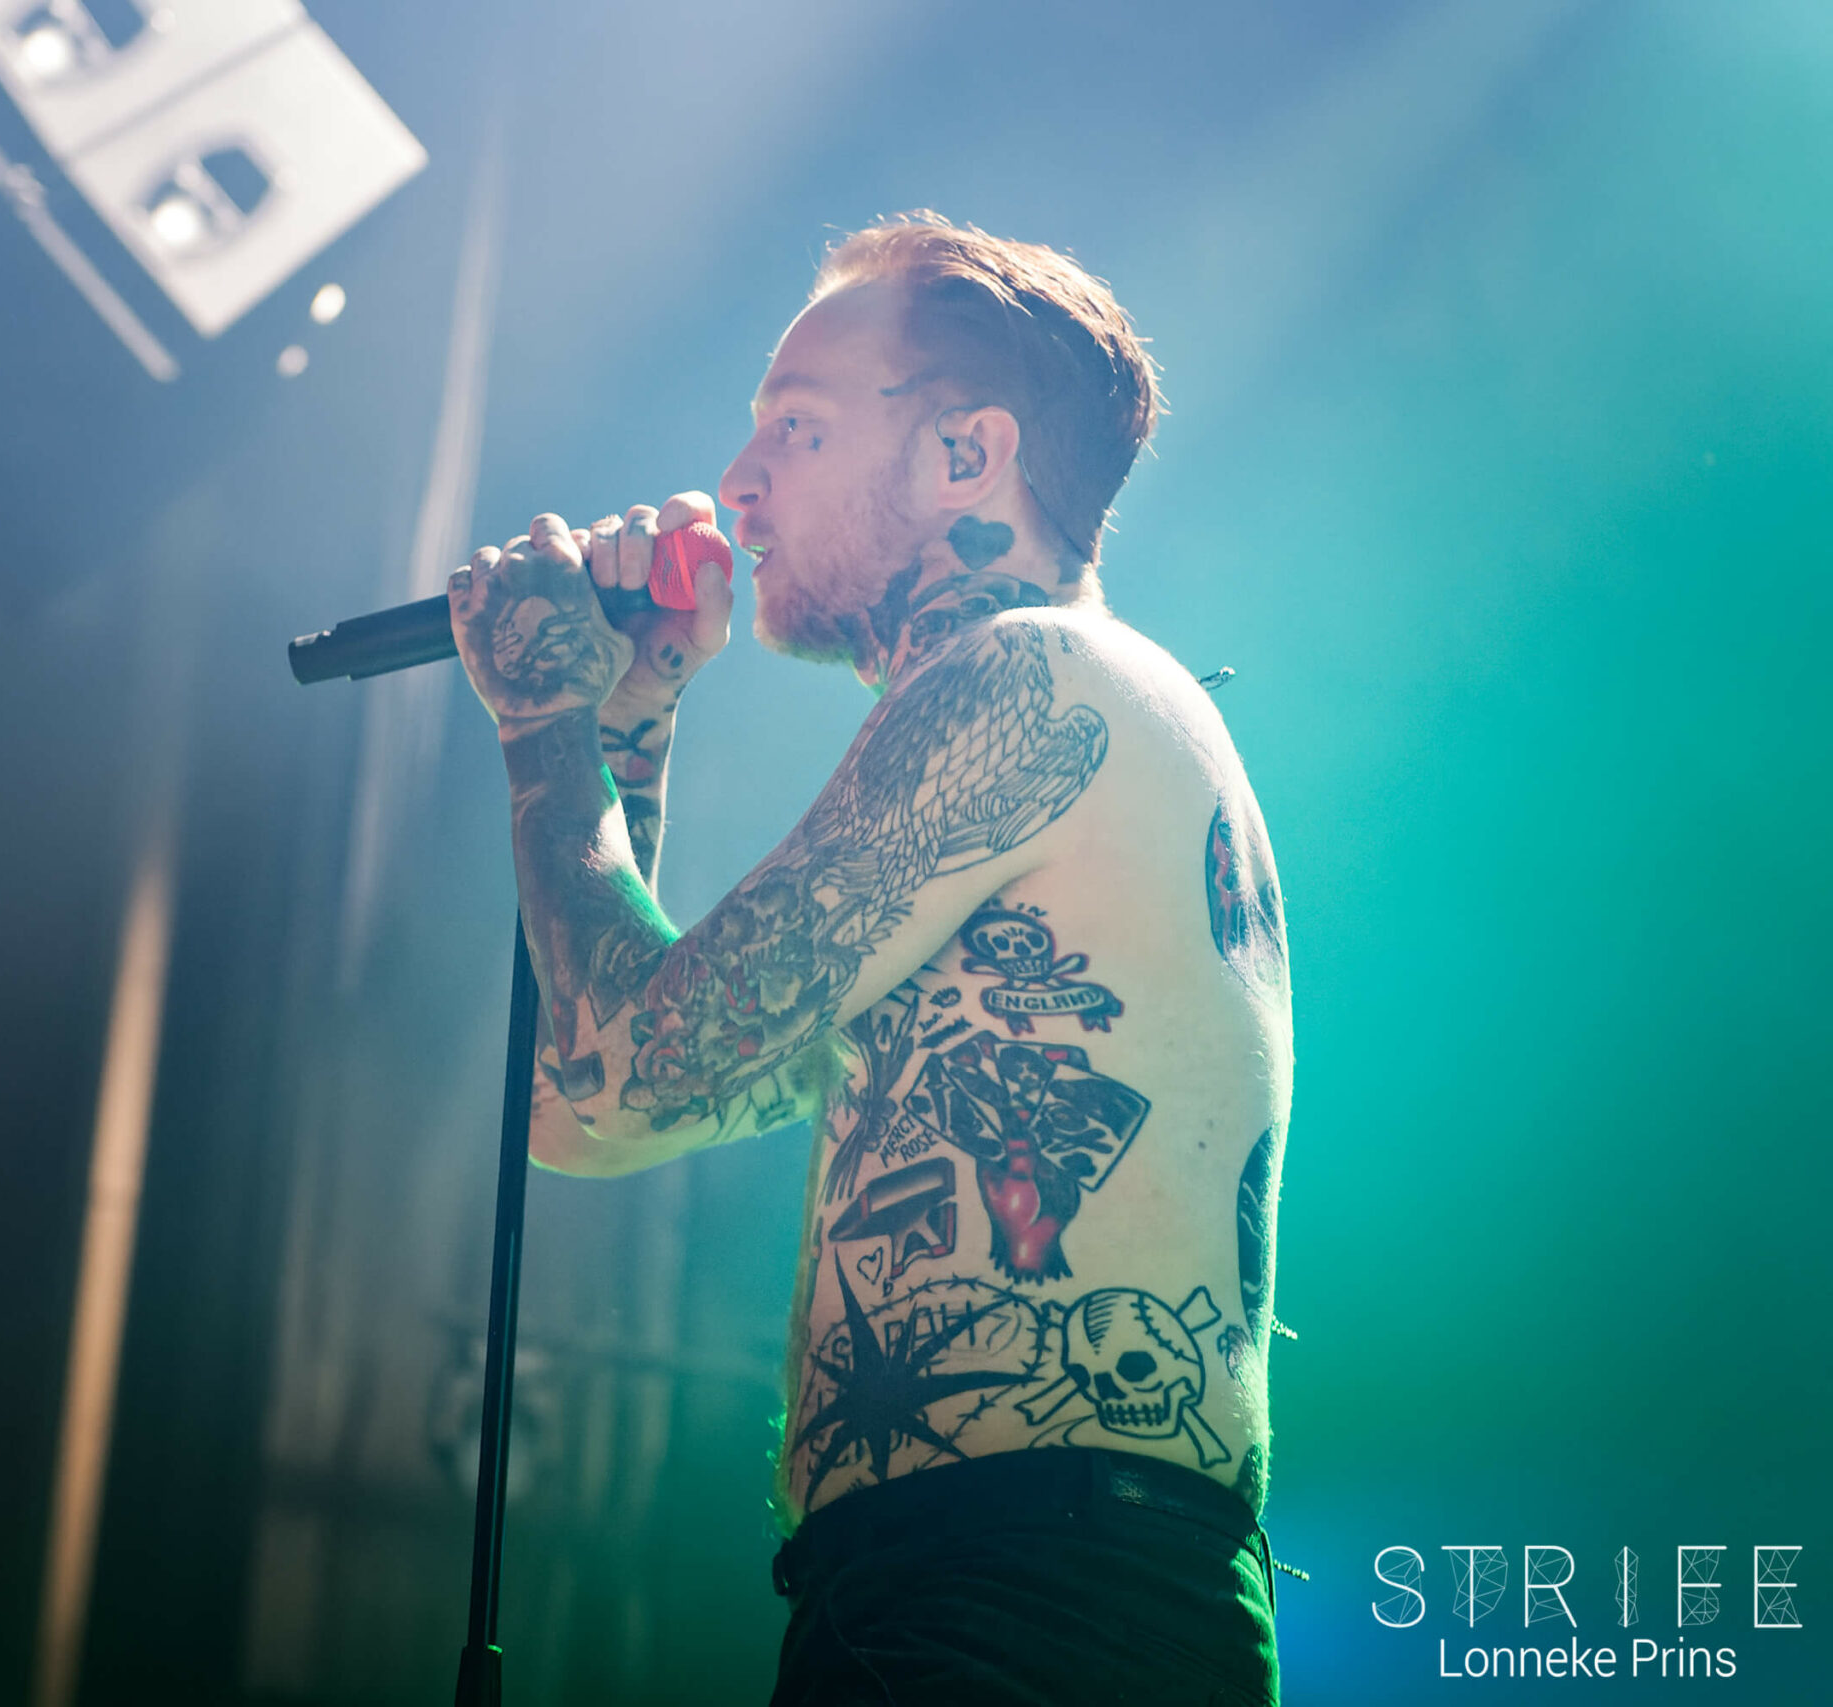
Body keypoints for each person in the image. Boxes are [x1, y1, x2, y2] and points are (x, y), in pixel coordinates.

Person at [446, 211, 1291, 1706]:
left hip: (1040, 1597)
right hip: (943, 1585)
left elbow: (630, 1077)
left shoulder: (1034, 678)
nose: (739, 483)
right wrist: (625, 720)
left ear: (968, 455)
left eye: (798, 426)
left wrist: (545, 723)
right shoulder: (1001, 772)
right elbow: (578, 1111)